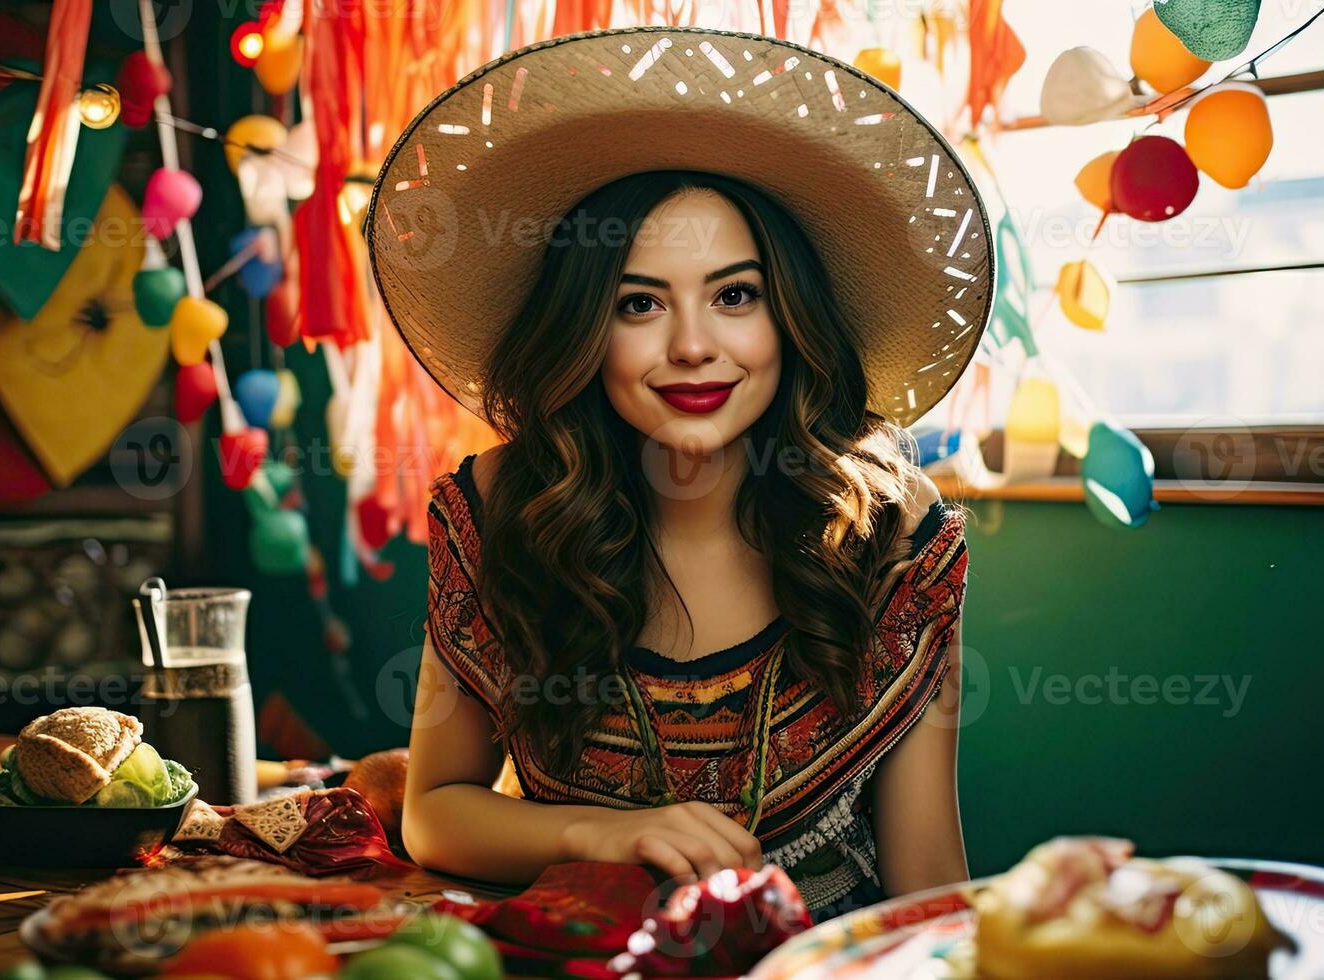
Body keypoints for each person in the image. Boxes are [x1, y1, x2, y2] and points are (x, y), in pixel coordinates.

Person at [364, 26, 994, 922]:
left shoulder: (893, 530)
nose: (693, 346)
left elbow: (927, 870)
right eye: (638, 303)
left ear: (790, 318)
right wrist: (600, 832)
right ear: (583, 327)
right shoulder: (500, 508)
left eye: (734, 295)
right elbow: (433, 814)